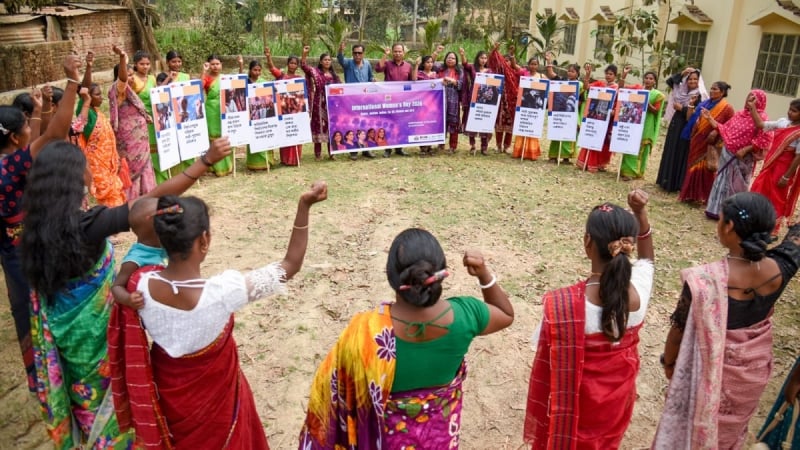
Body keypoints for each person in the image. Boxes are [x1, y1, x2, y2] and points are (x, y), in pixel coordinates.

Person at [21, 120, 232, 448]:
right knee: (113, 402)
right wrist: (203, 162)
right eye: (86, 168)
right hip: (100, 339)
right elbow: (146, 206)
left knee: (85, 398)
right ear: (76, 181)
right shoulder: (87, 226)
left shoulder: (34, 232)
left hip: (68, 344)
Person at [109, 180, 326, 448]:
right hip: (220, 408)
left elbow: (120, 289)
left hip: (169, 398)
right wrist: (304, 206)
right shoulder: (223, 292)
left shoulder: (139, 285)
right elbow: (289, 265)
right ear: (204, 240)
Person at [299, 228, 514, 448]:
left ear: (391, 276)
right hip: (440, 440)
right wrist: (483, 273)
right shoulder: (465, 316)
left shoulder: (364, 331)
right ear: (440, 274)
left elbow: (338, 396)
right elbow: (506, 314)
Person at [653, 192, 800, 449]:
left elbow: (678, 331)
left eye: (720, 219)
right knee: (729, 434)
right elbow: (795, 241)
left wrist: (669, 362)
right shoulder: (782, 268)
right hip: (751, 379)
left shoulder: (703, 281)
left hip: (710, 378)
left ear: (729, 226)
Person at [524, 189, 653, 449]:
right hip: (616, 404)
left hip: (573, 409)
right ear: (628, 246)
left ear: (587, 242)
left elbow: (541, 345)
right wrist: (641, 213)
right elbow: (648, 261)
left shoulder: (562, 307)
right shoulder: (641, 289)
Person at [0, 55, 80, 394]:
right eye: (27, 127)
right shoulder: (14, 166)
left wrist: (44, 104)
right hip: (29, 249)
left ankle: (38, 377)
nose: (32, 129)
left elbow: (46, 128)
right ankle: (57, 373)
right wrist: (72, 81)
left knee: (23, 309)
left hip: (9, 254)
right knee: (46, 305)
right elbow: (57, 131)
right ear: (17, 139)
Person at [704, 90, 771, 220]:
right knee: (721, 181)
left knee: (738, 185)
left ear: (760, 102)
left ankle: (733, 214)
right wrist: (710, 118)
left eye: (753, 99)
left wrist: (746, 149)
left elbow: (765, 138)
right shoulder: (740, 114)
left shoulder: (762, 118)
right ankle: (715, 210)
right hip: (727, 153)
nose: (749, 101)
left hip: (743, 158)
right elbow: (725, 129)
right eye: (748, 98)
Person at [73, 50, 127, 208]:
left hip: (108, 163)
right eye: (97, 95)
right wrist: (89, 67)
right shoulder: (85, 112)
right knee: (105, 194)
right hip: (96, 164)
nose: (101, 97)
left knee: (115, 190)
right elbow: (84, 88)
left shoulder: (97, 113)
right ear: (88, 97)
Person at [109, 44, 156, 201]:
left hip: (141, 138)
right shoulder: (118, 91)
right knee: (132, 168)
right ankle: (132, 198)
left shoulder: (131, 92)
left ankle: (147, 194)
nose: (130, 78)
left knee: (145, 165)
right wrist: (122, 57)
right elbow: (122, 80)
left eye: (131, 75)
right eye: (127, 75)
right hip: (128, 140)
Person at [678, 81, 735, 202]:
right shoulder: (704, 104)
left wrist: (716, 132)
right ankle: (690, 194)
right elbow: (690, 119)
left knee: (706, 168)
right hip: (697, 139)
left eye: (715, 89)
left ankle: (702, 196)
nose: (712, 91)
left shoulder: (727, 108)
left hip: (711, 142)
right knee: (693, 165)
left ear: (723, 92)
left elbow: (730, 126)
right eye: (711, 88)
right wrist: (691, 105)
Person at [750, 98, 800, 236]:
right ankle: (755, 221)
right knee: (759, 189)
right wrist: (753, 108)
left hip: (783, 168)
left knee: (776, 196)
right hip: (770, 164)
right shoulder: (783, 122)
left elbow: (798, 157)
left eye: (794, 111)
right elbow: (761, 124)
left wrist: (786, 176)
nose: (790, 113)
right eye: (790, 109)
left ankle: (771, 227)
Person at [656, 67, 708, 192]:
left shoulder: (700, 95)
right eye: (690, 79)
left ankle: (677, 183)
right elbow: (670, 81)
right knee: (671, 149)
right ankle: (666, 179)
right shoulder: (680, 91)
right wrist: (683, 73)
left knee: (681, 151)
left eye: (695, 79)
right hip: (676, 123)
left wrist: (682, 109)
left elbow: (697, 114)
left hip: (687, 126)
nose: (692, 81)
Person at [131, 50, 170, 184]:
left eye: (148, 64)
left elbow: (157, 94)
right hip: (141, 120)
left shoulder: (152, 78)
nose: (146, 67)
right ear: (135, 64)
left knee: (158, 148)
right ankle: (147, 180)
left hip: (155, 118)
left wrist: (169, 79)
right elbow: (130, 100)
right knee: (145, 150)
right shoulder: (133, 80)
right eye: (142, 64)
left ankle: (160, 177)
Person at [619, 71, 667, 180]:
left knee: (642, 147)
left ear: (655, 81)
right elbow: (621, 90)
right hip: (634, 121)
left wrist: (645, 99)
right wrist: (624, 76)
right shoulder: (637, 90)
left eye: (651, 79)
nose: (648, 80)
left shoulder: (658, 95)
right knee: (630, 144)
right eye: (647, 78)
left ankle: (635, 172)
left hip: (647, 124)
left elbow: (656, 111)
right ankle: (626, 170)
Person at [376, 43, 419, 157]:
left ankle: (399, 148)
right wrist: (385, 55)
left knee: (401, 124)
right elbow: (378, 68)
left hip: (403, 101)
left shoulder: (408, 66)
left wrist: (415, 66)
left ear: (403, 53)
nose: (397, 53)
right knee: (388, 124)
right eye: (395, 51)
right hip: (389, 100)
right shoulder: (388, 64)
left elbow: (414, 80)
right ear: (392, 52)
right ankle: (388, 149)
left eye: (400, 51)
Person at [576, 64, 621, 172]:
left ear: (615, 76)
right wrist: (587, 75)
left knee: (604, 140)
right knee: (593, 136)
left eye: (611, 74)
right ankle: (587, 161)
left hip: (608, 118)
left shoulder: (617, 88)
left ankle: (599, 163)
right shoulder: (600, 84)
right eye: (607, 73)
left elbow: (618, 102)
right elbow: (586, 87)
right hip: (595, 116)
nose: (608, 76)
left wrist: (614, 111)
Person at [337, 42, 376, 160]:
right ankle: (353, 150)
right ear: (352, 54)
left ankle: (366, 150)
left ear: (363, 54)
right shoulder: (348, 63)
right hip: (351, 100)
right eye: (355, 53)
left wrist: (373, 80)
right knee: (352, 125)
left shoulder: (367, 64)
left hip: (365, 100)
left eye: (360, 53)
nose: (357, 55)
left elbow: (370, 77)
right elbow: (340, 60)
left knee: (366, 124)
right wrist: (340, 51)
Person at [301, 46, 341, 161]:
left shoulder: (334, 76)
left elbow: (341, 88)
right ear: (320, 61)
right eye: (325, 60)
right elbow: (304, 67)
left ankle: (332, 153)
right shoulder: (316, 72)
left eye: (329, 60)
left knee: (331, 127)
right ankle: (318, 153)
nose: (327, 62)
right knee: (318, 127)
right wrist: (304, 54)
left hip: (331, 105)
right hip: (318, 104)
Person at [266, 47, 304, 166]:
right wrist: (268, 56)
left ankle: (295, 159)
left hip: (296, 111)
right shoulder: (282, 77)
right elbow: (272, 69)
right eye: (291, 63)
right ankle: (285, 159)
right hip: (284, 111)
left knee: (295, 134)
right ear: (287, 64)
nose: (293, 65)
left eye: (295, 63)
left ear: (297, 66)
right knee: (285, 134)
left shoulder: (299, 79)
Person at [202, 54, 233, 176]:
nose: (215, 66)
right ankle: (213, 165)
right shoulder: (207, 78)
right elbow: (199, 88)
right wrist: (203, 72)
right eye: (212, 64)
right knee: (213, 136)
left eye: (217, 64)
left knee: (224, 136)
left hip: (225, 108)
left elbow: (238, 84)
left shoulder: (225, 78)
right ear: (209, 65)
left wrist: (241, 65)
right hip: (211, 110)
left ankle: (226, 165)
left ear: (221, 65)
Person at [460, 48, 493, 155]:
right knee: (472, 120)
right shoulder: (473, 68)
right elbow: (465, 64)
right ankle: (473, 145)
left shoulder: (490, 71)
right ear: (477, 59)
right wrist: (462, 54)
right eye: (481, 58)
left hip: (485, 100)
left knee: (484, 121)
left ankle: (484, 147)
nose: (483, 60)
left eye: (485, 58)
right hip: (473, 98)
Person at [437, 51, 464, 155]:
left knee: (453, 123)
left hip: (453, 100)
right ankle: (440, 143)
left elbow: (461, 85)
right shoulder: (440, 69)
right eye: (448, 58)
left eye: (453, 58)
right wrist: (440, 81)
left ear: (456, 61)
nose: (450, 60)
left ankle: (453, 146)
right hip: (440, 99)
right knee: (441, 122)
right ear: (445, 59)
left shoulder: (459, 71)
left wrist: (451, 80)